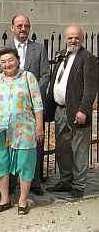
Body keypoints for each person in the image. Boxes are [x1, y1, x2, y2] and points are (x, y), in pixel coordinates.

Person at [0, 47, 44, 215]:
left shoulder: (28, 78)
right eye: (3, 62)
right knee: (1, 163)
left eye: (10, 60)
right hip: (0, 130)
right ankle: (4, 198)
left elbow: (37, 104)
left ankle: (23, 199)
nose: (7, 64)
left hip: (23, 129)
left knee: (25, 163)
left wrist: (39, 127)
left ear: (17, 60)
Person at [46, 25, 98, 198]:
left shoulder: (87, 57)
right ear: (65, 38)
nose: (73, 40)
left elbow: (91, 88)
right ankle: (65, 180)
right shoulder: (62, 55)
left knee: (79, 149)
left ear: (82, 38)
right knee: (62, 148)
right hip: (60, 110)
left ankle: (78, 185)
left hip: (77, 112)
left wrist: (84, 110)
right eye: (70, 37)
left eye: (77, 37)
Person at [5, 14, 50, 196]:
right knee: (12, 145)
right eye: (19, 25)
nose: (23, 29)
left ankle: (35, 182)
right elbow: (0, 75)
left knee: (34, 146)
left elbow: (46, 74)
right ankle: (12, 181)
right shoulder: (5, 49)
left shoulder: (38, 49)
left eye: (26, 26)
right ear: (12, 27)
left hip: (32, 107)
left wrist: (30, 94)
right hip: (11, 108)